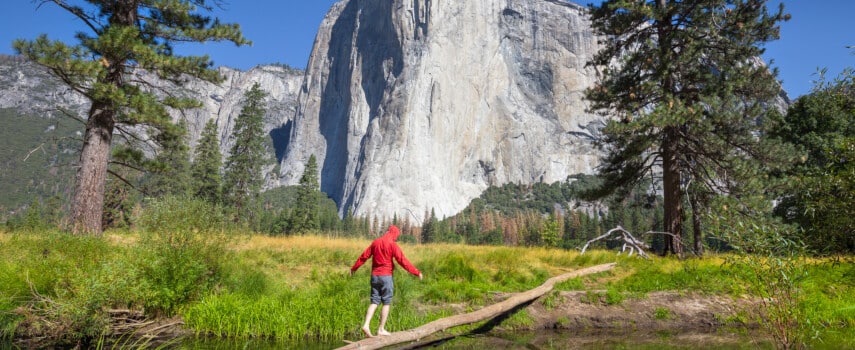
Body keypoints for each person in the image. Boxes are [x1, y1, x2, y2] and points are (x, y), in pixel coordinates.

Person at [350, 224, 423, 337]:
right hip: (386, 277)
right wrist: (416, 272)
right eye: (396, 236)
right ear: (394, 234)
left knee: (374, 301)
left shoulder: (375, 242)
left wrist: (354, 268)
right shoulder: (393, 245)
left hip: (374, 276)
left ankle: (366, 324)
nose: (396, 238)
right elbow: (403, 261)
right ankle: (381, 329)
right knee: (386, 303)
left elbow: (363, 256)